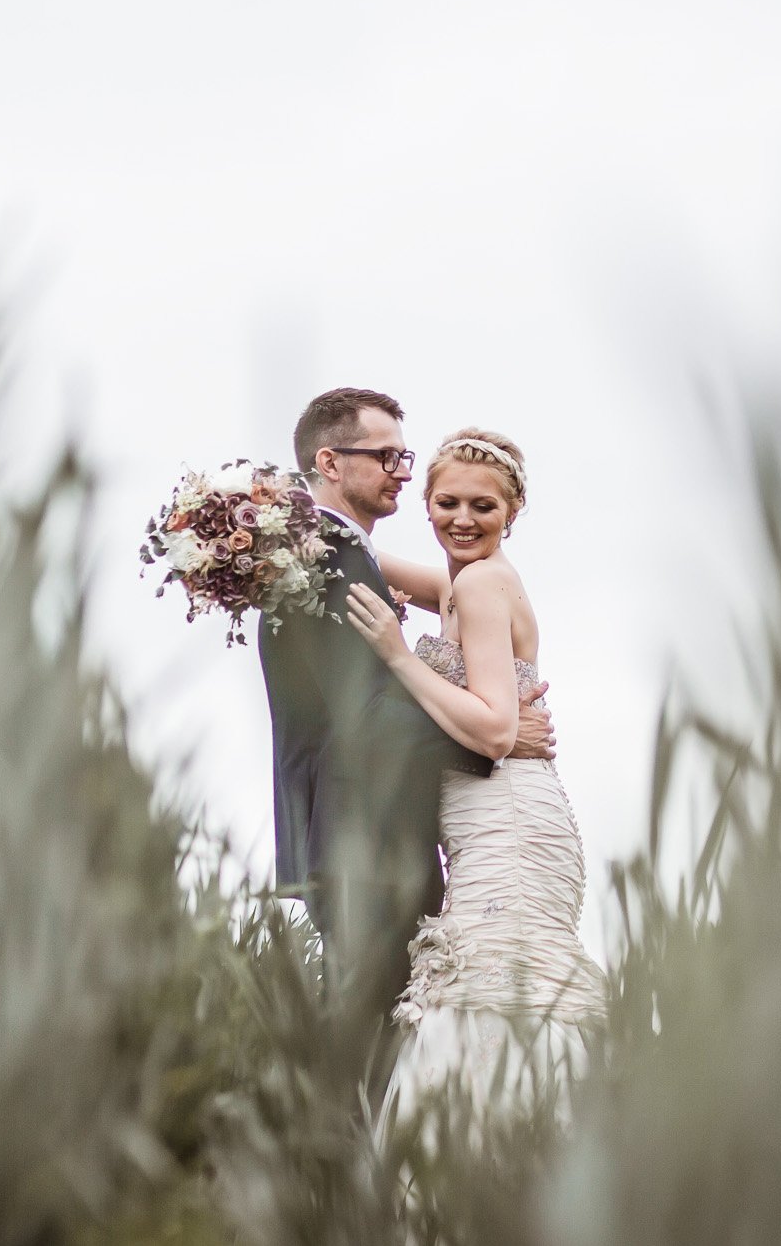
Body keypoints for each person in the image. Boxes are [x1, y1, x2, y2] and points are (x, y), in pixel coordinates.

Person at [257, 389, 557, 1109]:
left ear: (513, 511)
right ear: (330, 461)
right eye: (387, 456)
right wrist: (505, 730)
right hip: (373, 839)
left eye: (404, 457)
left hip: (438, 831)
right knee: (382, 1042)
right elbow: (366, 720)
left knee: (404, 1034)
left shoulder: (375, 559)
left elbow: (424, 601)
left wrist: (404, 654)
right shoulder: (332, 554)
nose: (398, 468)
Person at [342, 427, 605, 1114]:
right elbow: (369, 556)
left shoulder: (485, 582)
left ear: (513, 512)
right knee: (493, 980)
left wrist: (401, 656)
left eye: (483, 508)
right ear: (425, 503)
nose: (463, 519)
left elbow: (493, 730)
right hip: (502, 815)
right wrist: (292, 517)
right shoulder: (462, 580)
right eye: (448, 502)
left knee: (488, 981)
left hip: (506, 823)